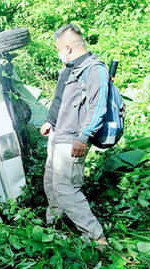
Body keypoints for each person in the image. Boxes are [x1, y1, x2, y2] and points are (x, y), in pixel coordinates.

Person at [40, 24, 108, 247]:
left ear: (68, 48)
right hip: (58, 135)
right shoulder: (70, 68)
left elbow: (99, 107)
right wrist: (50, 121)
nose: (58, 52)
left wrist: (84, 136)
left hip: (72, 139)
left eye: (58, 48)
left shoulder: (95, 69)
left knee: (66, 187)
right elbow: (61, 99)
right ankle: (54, 225)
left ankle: (96, 237)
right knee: (51, 182)